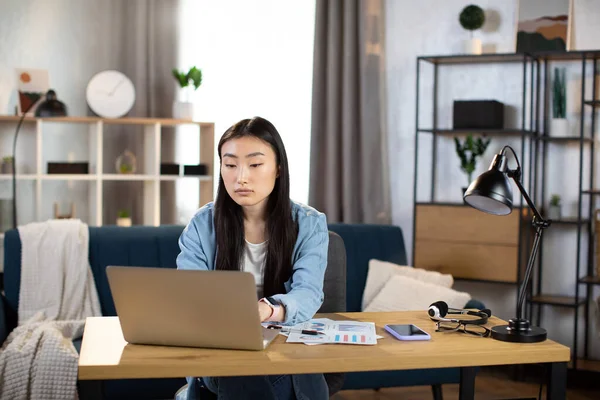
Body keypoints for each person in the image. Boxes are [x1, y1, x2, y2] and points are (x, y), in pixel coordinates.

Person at [176, 116, 330, 400]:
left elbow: (308, 293)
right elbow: (189, 297)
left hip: (285, 353)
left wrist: (268, 310)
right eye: (230, 165)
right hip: (221, 355)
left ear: (278, 169)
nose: (241, 177)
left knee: (258, 378)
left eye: (255, 164)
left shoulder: (309, 224)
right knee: (239, 373)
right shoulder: (201, 225)